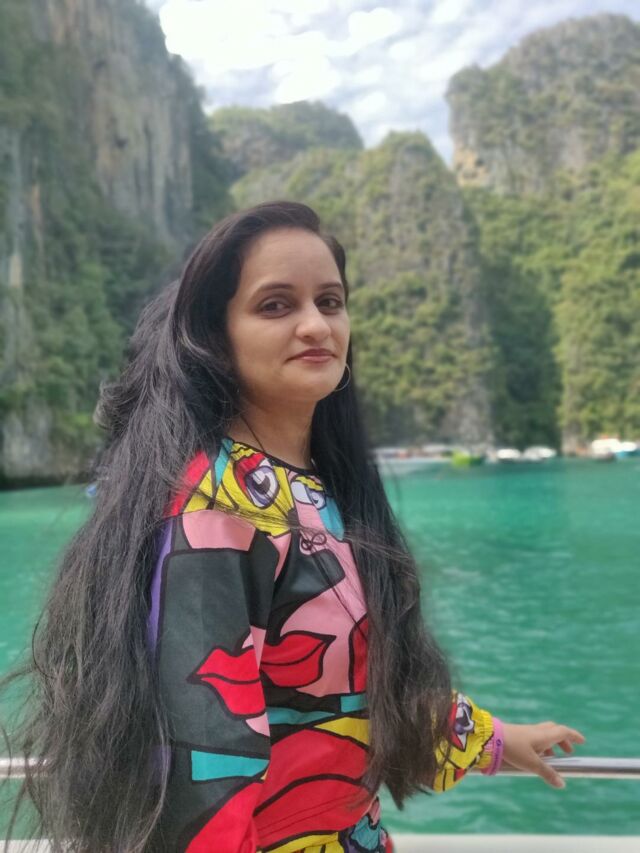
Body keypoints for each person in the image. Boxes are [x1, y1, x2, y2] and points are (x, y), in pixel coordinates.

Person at [1, 201, 585, 852]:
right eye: (276, 305)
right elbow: (204, 768)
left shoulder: (320, 490)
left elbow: (352, 689)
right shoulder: (218, 508)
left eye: (330, 301)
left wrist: (494, 740)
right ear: (215, 335)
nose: (316, 324)